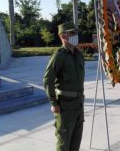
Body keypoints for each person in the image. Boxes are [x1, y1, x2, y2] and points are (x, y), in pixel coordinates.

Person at [43, 22, 85, 151]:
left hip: (79, 104)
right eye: (71, 33)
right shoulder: (59, 56)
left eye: (75, 33)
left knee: (76, 142)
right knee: (63, 143)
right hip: (65, 106)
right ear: (62, 36)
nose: (75, 36)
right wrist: (53, 102)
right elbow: (48, 79)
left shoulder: (78, 54)